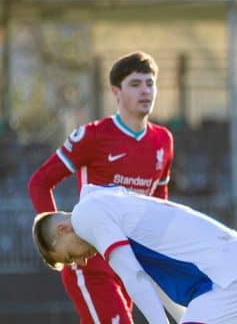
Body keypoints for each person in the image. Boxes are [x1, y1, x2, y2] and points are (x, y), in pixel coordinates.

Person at [28, 51, 174, 324]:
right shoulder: (93, 136)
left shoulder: (163, 141)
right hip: (92, 263)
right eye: (135, 84)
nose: (145, 91)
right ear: (116, 92)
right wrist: (60, 242)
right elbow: (39, 182)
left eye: (150, 83)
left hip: (128, 261)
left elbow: (158, 203)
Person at [32, 184, 237, 324]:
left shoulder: (86, 216)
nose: (81, 261)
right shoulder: (107, 203)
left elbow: (134, 277)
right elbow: (149, 280)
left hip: (232, 279)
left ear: (62, 229)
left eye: (69, 257)